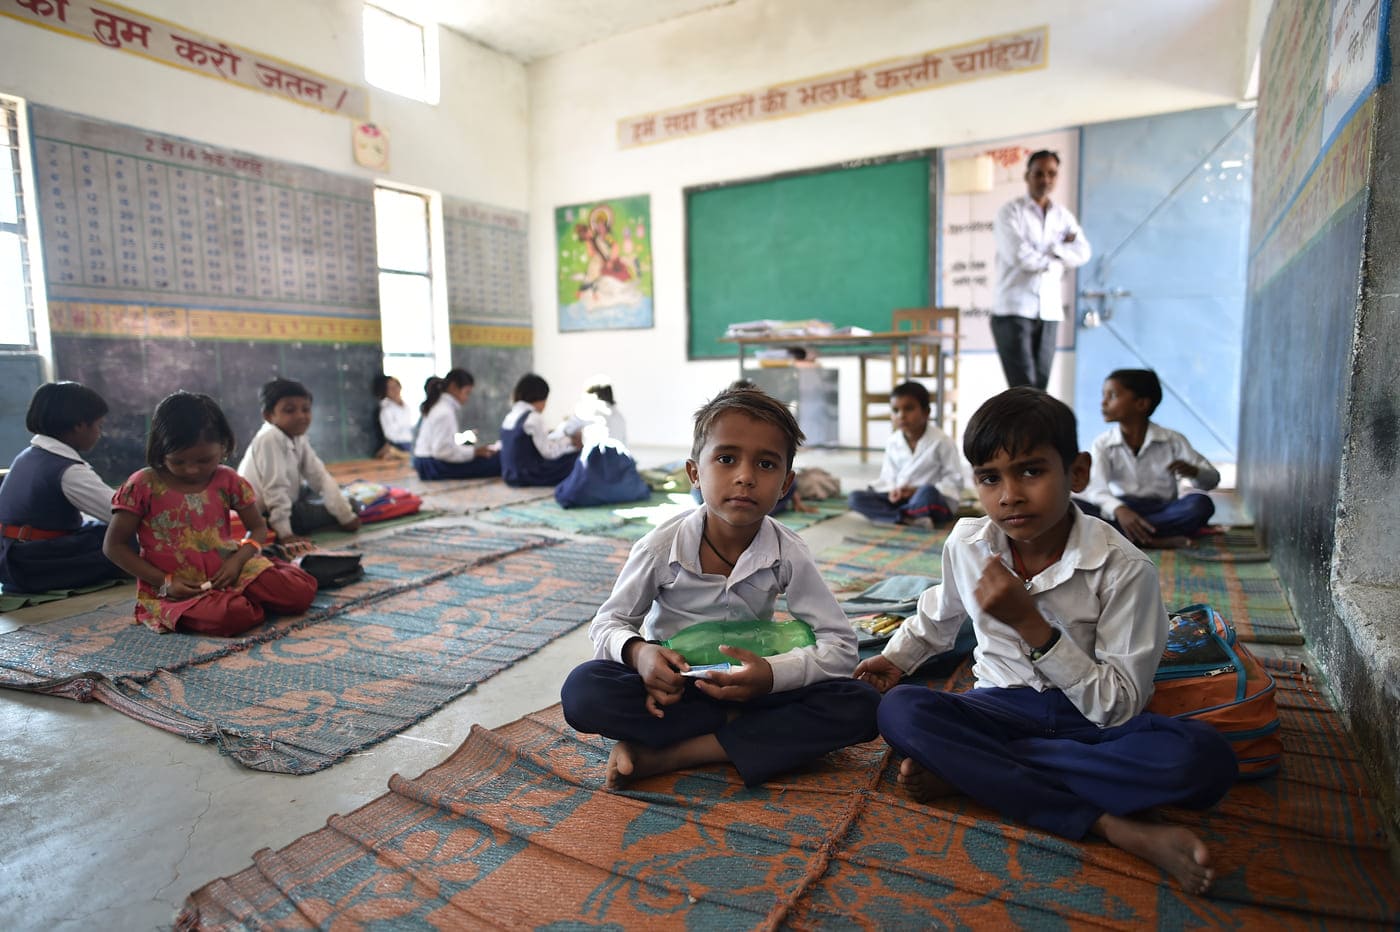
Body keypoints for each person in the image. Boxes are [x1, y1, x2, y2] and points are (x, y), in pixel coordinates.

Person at [854, 387, 1237, 895]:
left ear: (1077, 472)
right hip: (999, 707)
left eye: (1031, 471)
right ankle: (1110, 823)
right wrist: (898, 659)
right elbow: (938, 613)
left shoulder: (1124, 569)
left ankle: (974, 770)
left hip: (1090, 722)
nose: (1009, 494)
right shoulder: (968, 543)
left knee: (1205, 761)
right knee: (900, 711)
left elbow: (1118, 708)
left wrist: (1034, 627)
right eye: (991, 478)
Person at [560, 385, 880, 788]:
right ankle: (742, 735)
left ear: (785, 484)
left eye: (766, 465)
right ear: (695, 472)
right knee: (584, 691)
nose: (745, 477)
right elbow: (608, 624)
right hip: (675, 692)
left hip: (756, 689)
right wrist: (640, 654)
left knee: (862, 705)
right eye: (726, 459)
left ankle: (673, 753)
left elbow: (840, 645)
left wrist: (770, 676)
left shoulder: (788, 552)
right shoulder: (660, 547)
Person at [102, 392, 317, 636]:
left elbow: (257, 529)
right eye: (179, 461)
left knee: (300, 593)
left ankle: (251, 588)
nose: (192, 470)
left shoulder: (227, 479)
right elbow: (114, 546)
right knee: (233, 616)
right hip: (176, 586)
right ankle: (240, 600)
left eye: (205, 460)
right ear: (161, 450)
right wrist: (164, 582)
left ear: (224, 446)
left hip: (231, 569)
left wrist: (237, 561)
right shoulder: (143, 485)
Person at [0, 381, 127, 592]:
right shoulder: (68, 470)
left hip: (10, 553)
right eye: (99, 425)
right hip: (31, 564)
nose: (99, 433)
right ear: (79, 425)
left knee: (102, 530)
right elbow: (122, 514)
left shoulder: (30, 455)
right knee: (129, 539)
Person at [1076, 369, 1220, 546]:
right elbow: (1097, 489)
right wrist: (1120, 510)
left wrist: (1195, 472)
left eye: (1112, 395)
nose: (1103, 403)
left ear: (1141, 404)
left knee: (1200, 504)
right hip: (1122, 508)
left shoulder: (1172, 440)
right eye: (1103, 395)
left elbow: (1212, 480)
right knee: (1074, 507)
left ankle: (1127, 538)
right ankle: (1155, 539)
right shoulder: (1103, 444)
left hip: (1162, 509)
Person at [991, 150, 1092, 390]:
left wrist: (1049, 252)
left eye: (1051, 174)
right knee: (1023, 387)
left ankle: (1038, 429)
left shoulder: (1063, 216)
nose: (1045, 179)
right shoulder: (1010, 212)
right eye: (1038, 173)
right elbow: (1019, 256)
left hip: (1048, 309)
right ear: (1027, 176)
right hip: (1013, 309)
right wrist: (1058, 255)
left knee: (1041, 387)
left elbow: (1083, 252)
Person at [238, 379, 360, 552]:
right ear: (268, 415)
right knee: (353, 503)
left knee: (340, 498)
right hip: (266, 515)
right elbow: (275, 489)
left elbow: (320, 477)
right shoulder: (270, 438)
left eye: (306, 409)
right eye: (289, 410)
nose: (301, 415)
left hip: (291, 499)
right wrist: (286, 534)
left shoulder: (297, 437)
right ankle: (285, 526)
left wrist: (345, 516)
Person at [847, 381, 962, 528]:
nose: (901, 415)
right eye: (895, 410)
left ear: (926, 412)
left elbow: (954, 480)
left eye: (909, 409)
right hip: (902, 499)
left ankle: (896, 515)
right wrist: (894, 490)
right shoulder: (893, 442)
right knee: (855, 498)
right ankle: (909, 517)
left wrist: (916, 490)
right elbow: (888, 476)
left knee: (927, 492)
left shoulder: (942, 441)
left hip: (930, 499)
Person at [411, 368, 502, 480]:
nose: (467, 398)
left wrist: (473, 452)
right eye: (466, 393)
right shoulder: (444, 412)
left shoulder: (440, 406)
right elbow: (442, 452)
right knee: (495, 462)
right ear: (453, 387)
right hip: (432, 466)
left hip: (425, 463)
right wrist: (474, 452)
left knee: (489, 459)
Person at [498, 374, 582, 487]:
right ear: (540, 397)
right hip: (530, 475)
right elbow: (548, 452)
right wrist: (570, 440)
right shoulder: (534, 417)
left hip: (510, 475)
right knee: (578, 457)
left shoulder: (510, 415)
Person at [370, 373, 414, 459]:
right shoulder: (386, 410)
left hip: (410, 442)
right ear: (385, 391)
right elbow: (390, 435)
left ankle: (397, 453)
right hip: (399, 444)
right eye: (390, 388)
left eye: (396, 386)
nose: (394, 390)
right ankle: (394, 452)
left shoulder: (406, 407)